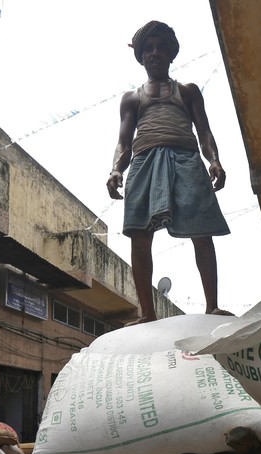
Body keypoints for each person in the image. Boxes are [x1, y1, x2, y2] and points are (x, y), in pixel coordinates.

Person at [106, 20, 233, 324]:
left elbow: (204, 132)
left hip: (186, 160)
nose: (155, 52)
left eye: (161, 47)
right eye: (148, 48)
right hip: (144, 162)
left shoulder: (188, 92)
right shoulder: (132, 99)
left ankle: (212, 305)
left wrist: (214, 160)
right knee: (139, 232)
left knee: (201, 231)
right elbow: (123, 142)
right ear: (141, 56)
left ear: (171, 54)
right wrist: (115, 170)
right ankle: (147, 313)